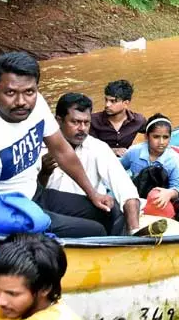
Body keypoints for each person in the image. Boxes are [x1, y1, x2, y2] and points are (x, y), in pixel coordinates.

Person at [0, 52, 114, 271]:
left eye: (29, 92)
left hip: (35, 193)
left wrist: (93, 193)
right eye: (10, 93)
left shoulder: (36, 104)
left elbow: (62, 152)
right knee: (95, 231)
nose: (21, 102)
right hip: (9, 209)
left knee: (109, 212)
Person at [37, 93, 141, 234]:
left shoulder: (98, 148)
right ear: (58, 121)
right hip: (52, 215)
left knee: (114, 211)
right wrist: (45, 173)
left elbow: (126, 189)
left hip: (89, 213)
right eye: (75, 122)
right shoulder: (38, 149)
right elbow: (33, 195)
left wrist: (135, 231)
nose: (82, 128)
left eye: (86, 123)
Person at [120, 114, 179, 216]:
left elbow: (177, 188)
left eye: (166, 137)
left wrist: (169, 193)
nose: (161, 142)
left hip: (160, 200)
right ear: (146, 136)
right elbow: (118, 170)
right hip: (135, 197)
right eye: (156, 137)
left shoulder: (174, 159)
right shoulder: (134, 152)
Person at [89, 79, 146, 157]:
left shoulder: (138, 120)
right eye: (106, 100)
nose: (107, 105)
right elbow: (87, 147)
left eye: (113, 101)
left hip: (125, 162)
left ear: (126, 103)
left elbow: (156, 130)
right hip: (100, 161)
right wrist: (112, 150)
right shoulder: (93, 120)